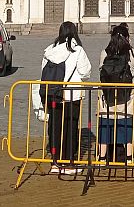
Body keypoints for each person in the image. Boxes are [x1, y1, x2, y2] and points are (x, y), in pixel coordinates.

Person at [32, 21, 91, 174]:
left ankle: (55, 162)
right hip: (72, 95)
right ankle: (69, 163)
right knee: (70, 127)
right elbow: (85, 72)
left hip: (53, 94)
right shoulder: (77, 50)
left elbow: (42, 72)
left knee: (55, 126)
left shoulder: (49, 50)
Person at [97, 24, 134, 162]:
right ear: (127, 37)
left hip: (107, 94)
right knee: (127, 124)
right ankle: (128, 157)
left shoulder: (105, 52)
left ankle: (102, 157)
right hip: (127, 93)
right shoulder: (132, 52)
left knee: (105, 124)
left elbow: (100, 69)